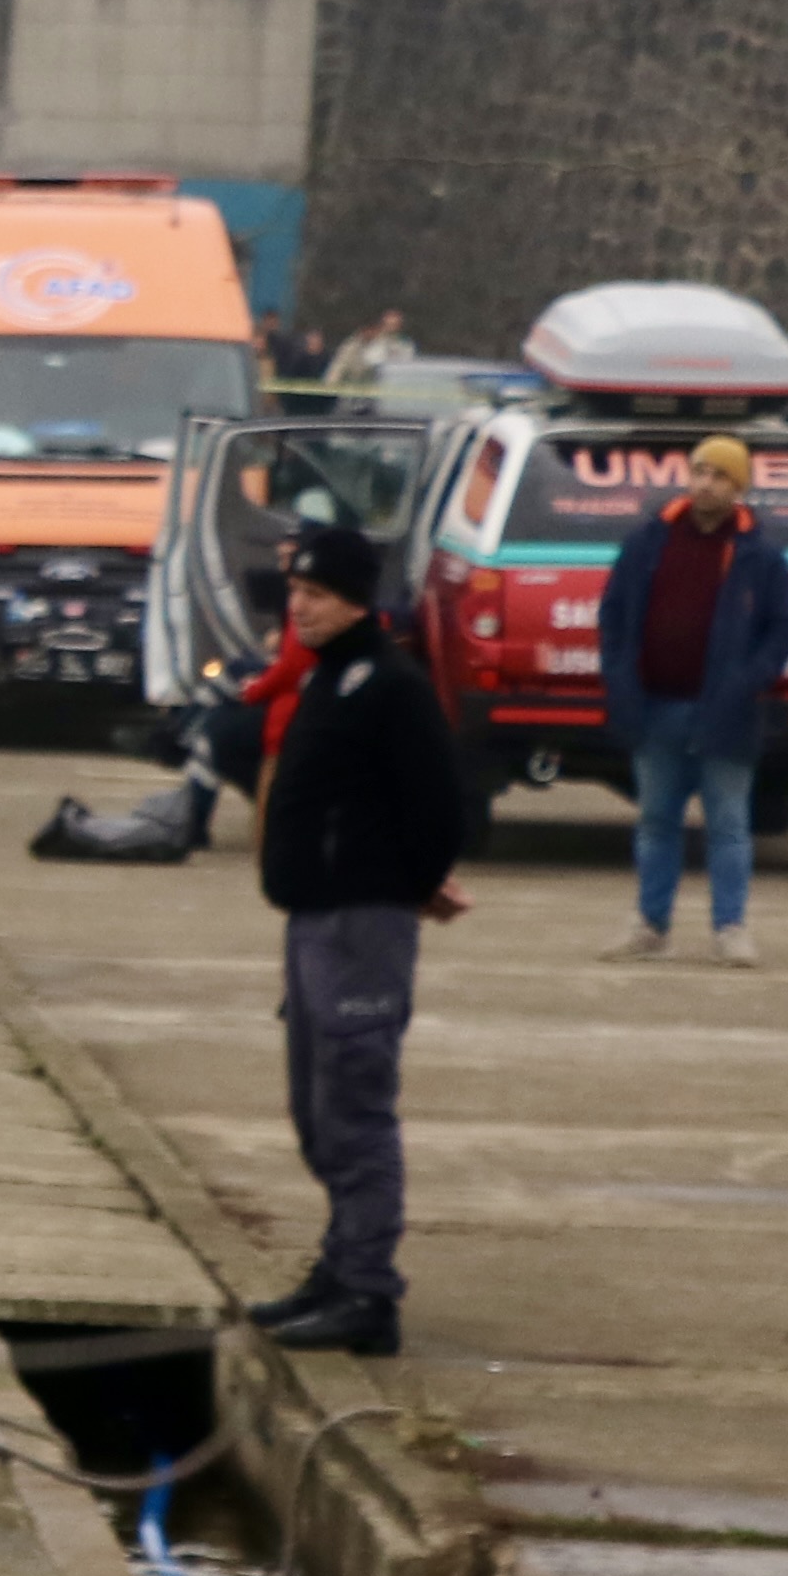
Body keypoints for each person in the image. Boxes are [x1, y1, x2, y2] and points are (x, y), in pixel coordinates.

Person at [246, 520, 470, 1356]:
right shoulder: (329, 677)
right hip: (313, 920)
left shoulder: (390, 685)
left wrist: (410, 882)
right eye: (294, 593)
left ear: (352, 600)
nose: (298, 609)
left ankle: (369, 1290)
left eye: (314, 594)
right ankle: (339, 1265)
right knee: (315, 1108)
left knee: (354, 1103)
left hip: (360, 926)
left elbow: (440, 804)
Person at [597, 430, 788, 964]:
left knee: (728, 826)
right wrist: (619, 676)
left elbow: (783, 628)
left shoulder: (760, 554)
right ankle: (650, 925)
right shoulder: (648, 540)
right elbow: (613, 614)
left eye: (720, 476)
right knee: (656, 822)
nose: (706, 484)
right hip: (654, 708)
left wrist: (748, 681)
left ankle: (730, 928)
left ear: (739, 488)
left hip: (727, 716)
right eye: (700, 472)